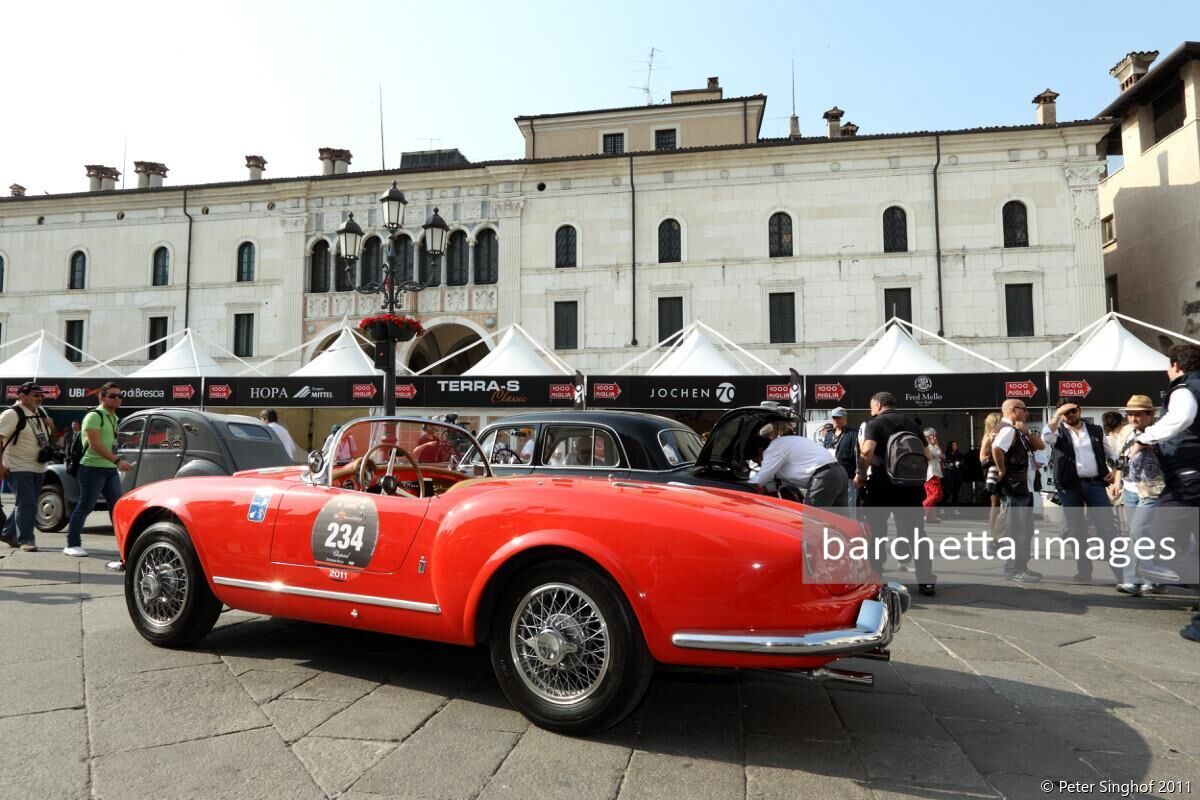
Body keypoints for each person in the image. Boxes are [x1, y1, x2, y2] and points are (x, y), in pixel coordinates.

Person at [1126, 344, 1200, 642]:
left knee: (1158, 543)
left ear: (1174, 366)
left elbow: (1182, 417)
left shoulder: (1185, 387)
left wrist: (1146, 438)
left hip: (1188, 480)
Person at [855, 392, 936, 595]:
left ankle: (875, 577)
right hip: (910, 488)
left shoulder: (874, 424)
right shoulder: (911, 424)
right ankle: (926, 579)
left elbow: (867, 452)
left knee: (876, 533)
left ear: (879, 405)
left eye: (871, 406)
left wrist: (860, 474)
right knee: (916, 533)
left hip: (882, 486)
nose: (871, 410)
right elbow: (928, 455)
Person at [1043, 402, 1121, 583]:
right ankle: (1084, 570)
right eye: (1066, 412)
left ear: (1080, 411)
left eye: (1073, 410)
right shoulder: (1058, 432)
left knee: (1107, 528)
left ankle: (1121, 573)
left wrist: (1116, 471)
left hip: (1095, 484)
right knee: (1076, 530)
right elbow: (1046, 436)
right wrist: (1056, 416)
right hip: (1069, 487)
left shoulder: (1095, 430)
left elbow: (1112, 454)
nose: (1070, 414)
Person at [65, 383, 132, 557]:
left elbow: (111, 444)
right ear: (101, 398)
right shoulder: (94, 416)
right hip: (92, 468)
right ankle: (72, 544)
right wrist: (118, 461)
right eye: (112, 396)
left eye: (119, 395)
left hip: (109, 469)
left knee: (117, 507)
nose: (117, 398)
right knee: (85, 506)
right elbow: (95, 445)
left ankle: (125, 544)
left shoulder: (114, 418)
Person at [1113, 395, 1164, 597]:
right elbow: (1121, 459)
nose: (1133, 418)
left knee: (1137, 532)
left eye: (1138, 414)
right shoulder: (1126, 432)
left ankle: (1133, 580)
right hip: (1130, 489)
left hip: (1152, 489)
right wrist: (1117, 481)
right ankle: (1153, 579)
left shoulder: (1161, 431)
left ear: (1150, 415)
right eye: (1130, 414)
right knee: (1141, 535)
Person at [991, 399, 1045, 583]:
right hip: (1015, 487)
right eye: (1024, 409)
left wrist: (1026, 432)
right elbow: (996, 448)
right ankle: (1013, 569)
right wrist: (1002, 470)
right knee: (1017, 531)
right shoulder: (1007, 429)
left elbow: (1040, 446)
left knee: (1025, 530)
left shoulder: (1016, 430)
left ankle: (1021, 567)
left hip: (1023, 487)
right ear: (1014, 410)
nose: (1027, 413)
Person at [0, 383, 56, 552]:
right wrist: (0, 466)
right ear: (22, 396)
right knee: (27, 504)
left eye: (40, 395)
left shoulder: (41, 411)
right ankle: (26, 540)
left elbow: (47, 435)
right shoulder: (11, 414)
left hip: (38, 466)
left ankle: (8, 532)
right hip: (18, 467)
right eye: (34, 395)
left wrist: (50, 425)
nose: (39, 398)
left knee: (25, 503)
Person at [755, 421, 847, 508]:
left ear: (760, 451)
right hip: (839, 472)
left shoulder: (773, 452)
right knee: (839, 521)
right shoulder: (785, 446)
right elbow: (780, 482)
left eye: (756, 460)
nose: (759, 463)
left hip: (824, 477)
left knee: (811, 520)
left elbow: (761, 484)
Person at [821, 407, 859, 509]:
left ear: (845, 418)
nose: (836, 420)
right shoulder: (829, 434)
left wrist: (858, 474)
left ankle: (850, 524)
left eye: (839, 417)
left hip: (848, 475)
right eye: (834, 418)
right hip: (831, 475)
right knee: (832, 505)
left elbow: (858, 455)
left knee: (849, 505)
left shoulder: (853, 433)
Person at [922, 428, 944, 522]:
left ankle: (930, 517)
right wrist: (936, 444)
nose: (935, 437)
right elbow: (939, 453)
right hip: (932, 473)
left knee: (931, 496)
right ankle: (920, 509)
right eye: (933, 435)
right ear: (928, 437)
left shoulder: (929, 446)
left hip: (930, 473)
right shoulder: (929, 446)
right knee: (937, 494)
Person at [941, 440, 964, 507]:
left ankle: (955, 508)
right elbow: (942, 465)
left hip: (958, 476)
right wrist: (946, 466)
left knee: (956, 492)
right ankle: (943, 505)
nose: (955, 446)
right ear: (950, 446)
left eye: (956, 445)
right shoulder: (946, 455)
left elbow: (962, 465)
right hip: (949, 476)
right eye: (953, 445)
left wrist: (960, 465)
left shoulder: (960, 455)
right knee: (948, 491)